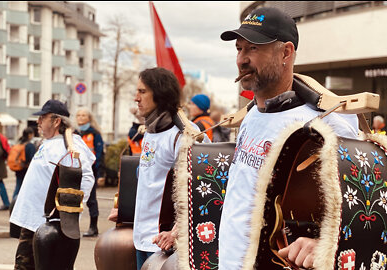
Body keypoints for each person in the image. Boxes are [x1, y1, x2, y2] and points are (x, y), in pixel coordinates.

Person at [218, 7, 359, 269]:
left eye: (253, 48)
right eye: (239, 49)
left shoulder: (326, 124)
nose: (241, 59)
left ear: (286, 52)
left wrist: (326, 243)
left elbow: (363, 206)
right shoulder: (250, 115)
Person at [108, 67, 208, 270]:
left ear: (160, 94)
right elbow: (149, 180)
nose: (136, 98)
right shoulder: (149, 131)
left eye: (142, 91)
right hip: (141, 237)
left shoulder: (184, 134)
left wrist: (177, 231)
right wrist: (123, 208)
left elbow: (202, 187)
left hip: (166, 242)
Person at [9, 99, 95, 269]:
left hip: (49, 225)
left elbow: (85, 177)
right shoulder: (49, 142)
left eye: (43, 118)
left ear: (56, 121)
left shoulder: (69, 144)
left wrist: (67, 213)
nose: (38, 122)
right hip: (34, 222)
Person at [76, 107, 105, 237]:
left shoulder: (95, 133)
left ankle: (93, 227)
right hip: (76, 169)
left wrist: (99, 174)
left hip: (90, 170)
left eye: (83, 115)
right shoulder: (75, 133)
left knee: (91, 199)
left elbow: (99, 155)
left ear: (89, 118)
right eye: (78, 115)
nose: (80, 118)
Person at [11, 127, 37, 200]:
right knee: (25, 189)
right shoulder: (30, 145)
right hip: (26, 169)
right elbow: (32, 159)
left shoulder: (19, 143)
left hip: (19, 168)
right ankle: (15, 204)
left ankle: (13, 203)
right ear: (29, 135)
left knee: (18, 187)